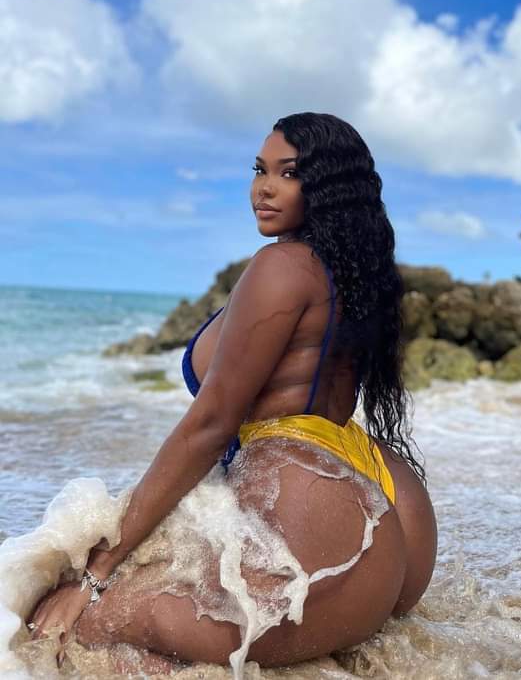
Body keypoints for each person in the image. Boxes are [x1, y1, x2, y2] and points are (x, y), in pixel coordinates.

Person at [28, 112, 437, 673]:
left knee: (73, 630)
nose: (263, 188)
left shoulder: (282, 267)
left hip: (320, 514)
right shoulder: (355, 274)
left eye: (288, 173)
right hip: (385, 502)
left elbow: (210, 425)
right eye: (259, 169)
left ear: (328, 187)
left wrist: (96, 574)